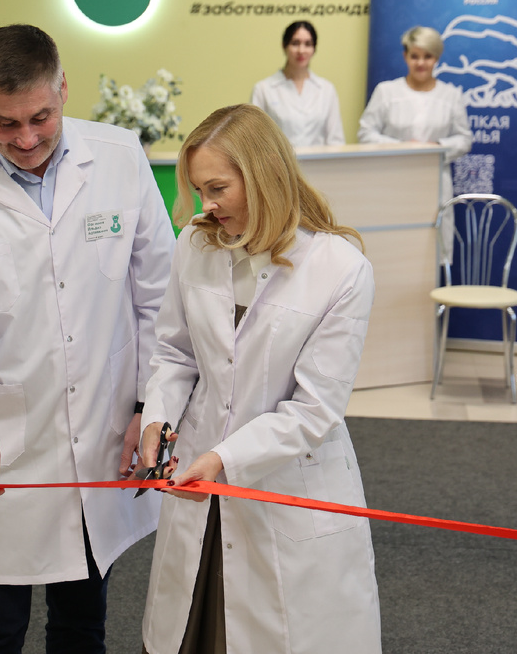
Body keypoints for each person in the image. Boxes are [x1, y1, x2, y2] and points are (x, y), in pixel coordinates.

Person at [0, 23, 175, 653]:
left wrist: (150, 406)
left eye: (41, 118)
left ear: (63, 89)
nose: (27, 139)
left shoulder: (119, 157)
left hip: (104, 429)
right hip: (6, 439)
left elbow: (159, 299)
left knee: (83, 623)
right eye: (6, 124)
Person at [138, 105, 382, 654]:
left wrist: (224, 457)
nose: (207, 205)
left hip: (286, 484)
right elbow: (175, 354)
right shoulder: (195, 245)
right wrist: (158, 417)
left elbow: (315, 409)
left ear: (263, 175)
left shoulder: (341, 270)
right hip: (199, 479)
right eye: (199, 190)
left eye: (218, 188)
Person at [357, 25, 471, 206]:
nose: (420, 63)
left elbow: (464, 139)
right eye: (415, 56)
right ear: (405, 56)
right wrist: (402, 148)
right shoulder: (386, 91)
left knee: (435, 224)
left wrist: (437, 147)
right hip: (391, 180)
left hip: (436, 185)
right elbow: (365, 134)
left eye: (428, 57)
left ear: (436, 58)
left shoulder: (451, 95)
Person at [250, 20, 345, 146]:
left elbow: (336, 141)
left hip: (319, 159)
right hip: (279, 159)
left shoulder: (326, 89)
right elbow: (255, 141)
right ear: (284, 46)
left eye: (308, 44)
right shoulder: (263, 89)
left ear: (314, 49)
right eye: (295, 43)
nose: (301, 50)